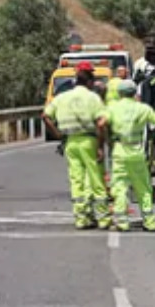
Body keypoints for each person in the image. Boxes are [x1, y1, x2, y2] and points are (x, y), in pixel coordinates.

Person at [98, 79, 155, 232]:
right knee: (144, 188)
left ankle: (121, 221)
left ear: (119, 93)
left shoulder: (112, 108)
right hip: (137, 152)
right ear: (134, 93)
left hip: (120, 151)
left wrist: (103, 143)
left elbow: (101, 124)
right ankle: (149, 221)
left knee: (119, 187)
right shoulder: (142, 108)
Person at [42, 62, 111, 230]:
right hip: (89, 141)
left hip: (70, 142)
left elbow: (45, 116)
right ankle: (102, 218)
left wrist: (57, 134)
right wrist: (101, 146)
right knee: (95, 178)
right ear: (89, 81)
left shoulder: (62, 98)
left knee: (76, 180)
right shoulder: (93, 98)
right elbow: (101, 123)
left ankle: (81, 218)